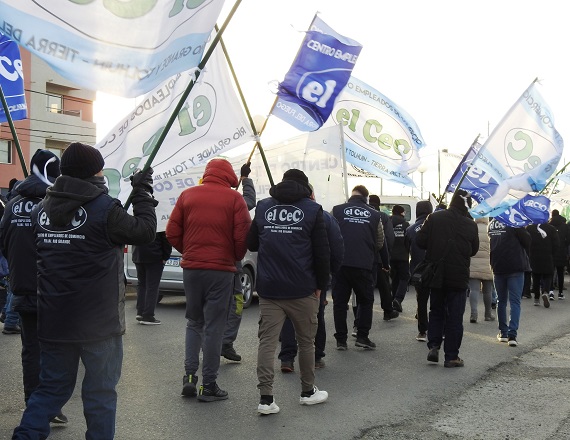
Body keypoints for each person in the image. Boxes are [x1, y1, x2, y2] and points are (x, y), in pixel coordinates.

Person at [12, 142, 157, 439]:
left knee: (51, 388)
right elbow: (144, 232)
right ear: (95, 171)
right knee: (100, 392)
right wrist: (143, 193)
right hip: (99, 323)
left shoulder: (41, 210)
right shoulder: (106, 209)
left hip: (54, 318)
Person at [166, 158, 251, 402]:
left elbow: (172, 232)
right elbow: (242, 235)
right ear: (228, 176)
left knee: (194, 323)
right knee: (214, 327)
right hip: (221, 271)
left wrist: (191, 252)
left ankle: (190, 377)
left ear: (207, 173)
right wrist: (233, 257)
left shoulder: (187, 195)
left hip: (192, 269)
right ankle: (209, 385)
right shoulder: (234, 199)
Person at [247, 169, 330, 414]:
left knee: (267, 343)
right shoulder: (314, 210)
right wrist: (320, 288)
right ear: (306, 186)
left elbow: (251, 243)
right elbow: (322, 254)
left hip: (270, 288)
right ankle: (307, 391)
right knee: (306, 342)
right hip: (302, 288)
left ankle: (266, 399)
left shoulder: (263, 206)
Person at [0, 150, 66, 422]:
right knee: (55, 350)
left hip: (22, 285)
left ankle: (34, 403)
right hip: (52, 288)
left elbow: (3, 241)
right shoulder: (52, 202)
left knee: (31, 350)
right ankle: (49, 406)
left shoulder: (13, 202)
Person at [278, 183, 344, 372]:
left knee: (289, 316)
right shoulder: (323, 216)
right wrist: (331, 273)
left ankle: (287, 358)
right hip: (314, 277)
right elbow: (337, 247)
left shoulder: (280, 214)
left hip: (285, 274)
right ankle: (316, 357)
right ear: (312, 194)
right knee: (316, 316)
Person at [416, 189, 479, 368]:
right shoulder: (470, 224)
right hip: (458, 277)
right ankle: (451, 356)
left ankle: (434, 345)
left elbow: (420, 241)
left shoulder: (435, 218)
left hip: (436, 274)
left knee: (436, 311)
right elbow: (473, 250)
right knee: (455, 317)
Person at [332, 185, 384, 350]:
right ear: (366, 198)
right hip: (363, 264)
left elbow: (330, 234)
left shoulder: (337, 210)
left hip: (340, 264)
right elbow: (380, 241)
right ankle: (362, 336)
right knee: (366, 300)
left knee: (340, 302)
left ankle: (341, 340)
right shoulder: (375, 215)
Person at [221, 162, 256, 362]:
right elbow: (249, 200)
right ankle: (225, 343)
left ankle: (208, 343)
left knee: (209, 309)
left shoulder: (195, 198)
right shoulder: (234, 201)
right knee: (237, 304)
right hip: (230, 266)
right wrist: (245, 179)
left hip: (202, 267)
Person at [488, 218, 531, 347]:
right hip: (515, 266)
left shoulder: (491, 224)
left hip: (497, 266)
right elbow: (527, 241)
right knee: (515, 302)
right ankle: (512, 335)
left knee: (501, 301)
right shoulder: (514, 222)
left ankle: (503, 333)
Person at [405, 200, 433, 342]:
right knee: (437, 302)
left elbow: (407, 251)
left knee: (421, 302)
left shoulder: (410, 229)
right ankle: (439, 330)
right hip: (435, 269)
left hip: (418, 271)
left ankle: (422, 332)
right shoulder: (437, 227)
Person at [367, 195, 398, 321]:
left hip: (365, 257)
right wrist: (387, 256)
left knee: (364, 287)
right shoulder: (383, 216)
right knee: (384, 286)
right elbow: (389, 238)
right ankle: (388, 310)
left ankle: (360, 314)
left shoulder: (365, 213)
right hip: (380, 257)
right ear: (379, 204)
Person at [133, 231, 172, 325]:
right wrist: (165, 257)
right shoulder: (159, 220)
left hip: (138, 254)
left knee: (141, 284)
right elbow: (166, 240)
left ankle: (140, 312)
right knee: (152, 286)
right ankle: (148, 315)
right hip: (154, 255)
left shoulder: (137, 218)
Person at [468, 217, 495, 323]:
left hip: (473, 263)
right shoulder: (490, 229)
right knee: (487, 291)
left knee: (473, 290)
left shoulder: (472, 228)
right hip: (488, 264)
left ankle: (473, 314)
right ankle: (488, 314)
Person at [526, 221, 559, 307]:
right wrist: (552, 254)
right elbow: (556, 244)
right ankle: (545, 292)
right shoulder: (551, 228)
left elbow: (526, 242)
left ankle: (536, 299)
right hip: (547, 255)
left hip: (534, 256)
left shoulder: (529, 228)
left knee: (536, 277)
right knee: (548, 276)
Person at [389, 205, 410, 312]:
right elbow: (408, 240)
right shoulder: (405, 224)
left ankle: (393, 301)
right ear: (401, 213)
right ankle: (398, 299)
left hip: (390, 257)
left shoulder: (387, 222)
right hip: (402, 256)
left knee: (395, 279)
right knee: (404, 278)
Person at [548, 209, 568, 299]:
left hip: (551, 252)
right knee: (560, 273)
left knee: (551, 273)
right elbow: (568, 239)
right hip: (562, 252)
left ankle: (551, 291)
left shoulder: (549, 226)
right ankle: (560, 293)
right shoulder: (565, 226)